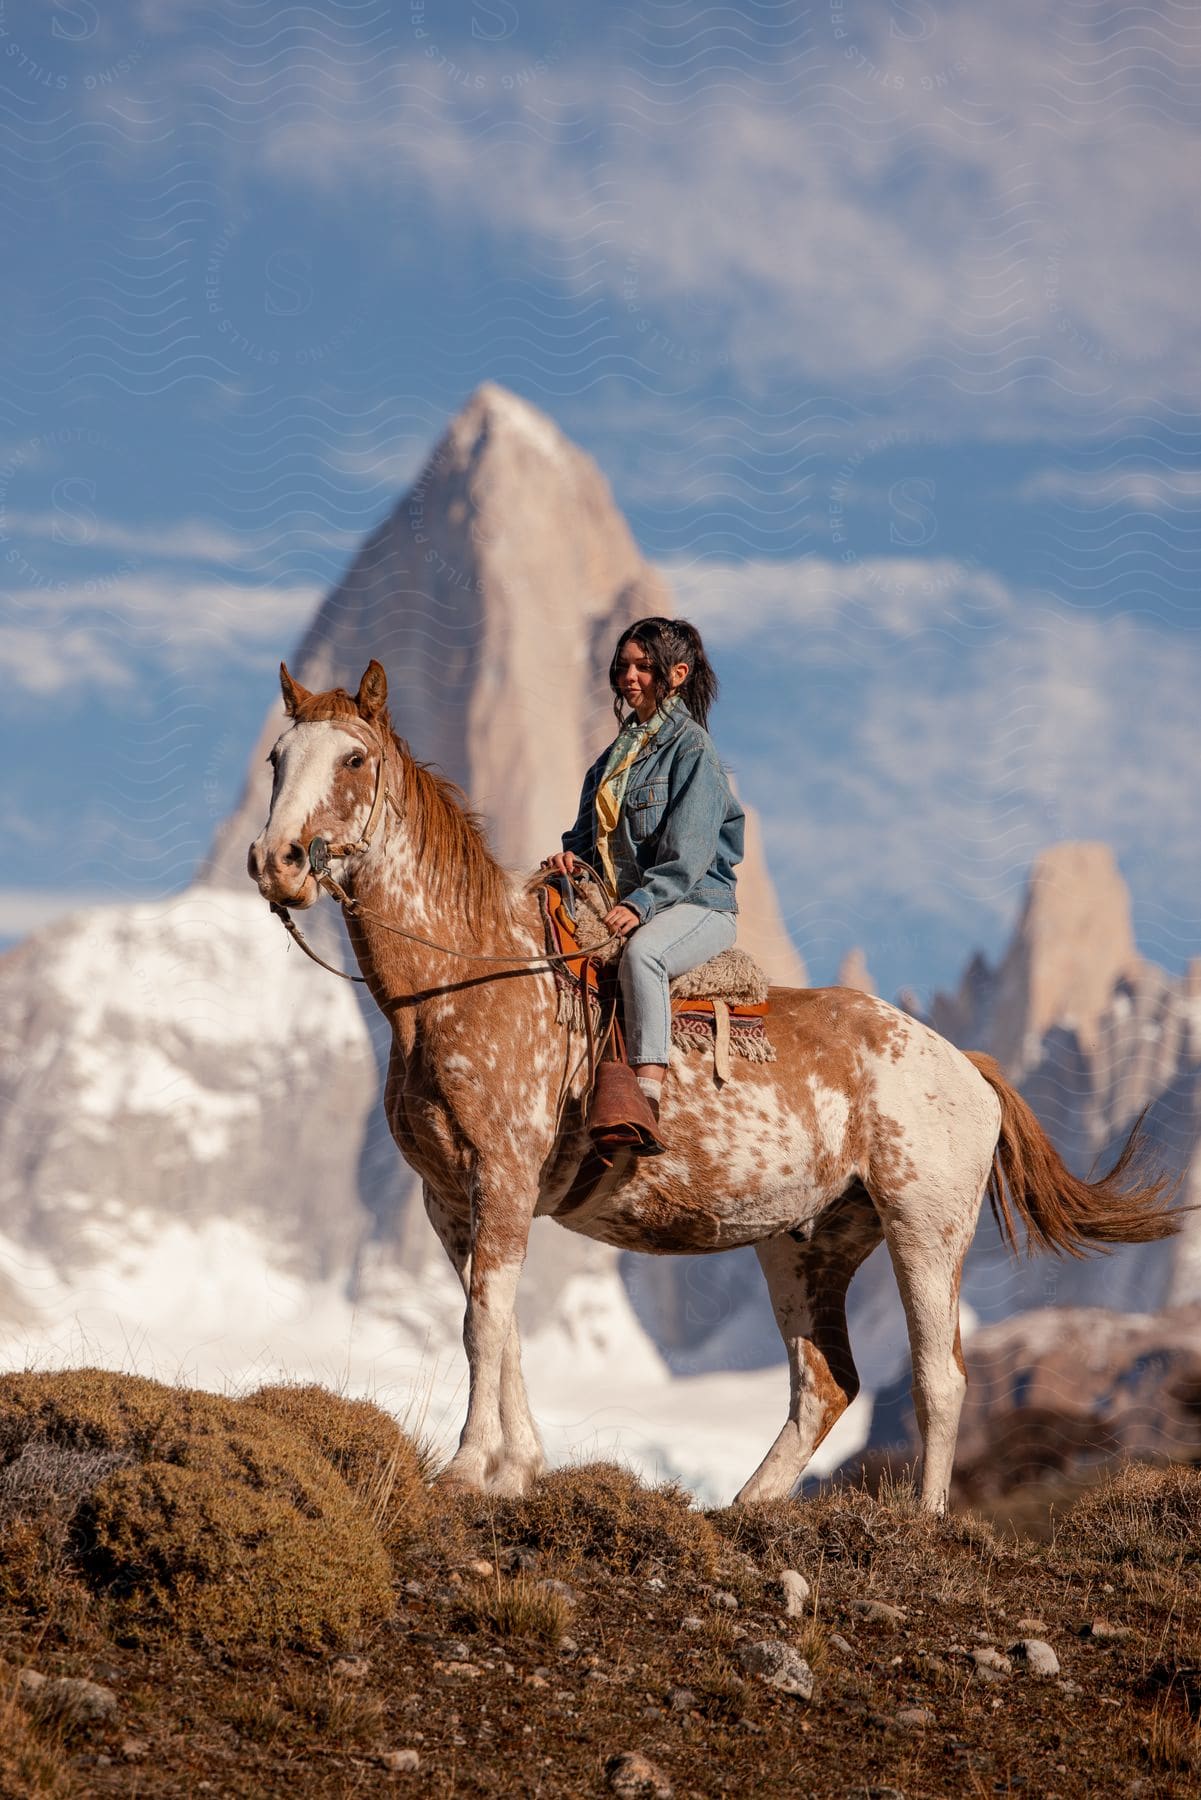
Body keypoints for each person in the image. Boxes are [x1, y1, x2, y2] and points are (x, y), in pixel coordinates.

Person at [543, 617, 744, 1154]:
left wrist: (641, 903)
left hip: (696, 902)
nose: (629, 676)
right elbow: (588, 836)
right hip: (629, 899)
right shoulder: (611, 760)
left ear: (676, 674)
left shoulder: (692, 749)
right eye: (623, 666)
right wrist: (570, 855)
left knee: (645, 957)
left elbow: (690, 854)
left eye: (643, 666)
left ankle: (645, 1096)